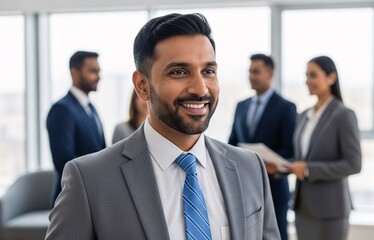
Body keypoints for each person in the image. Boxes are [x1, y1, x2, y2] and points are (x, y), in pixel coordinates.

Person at [45, 13, 280, 240]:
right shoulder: (89, 180)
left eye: (208, 71)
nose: (200, 89)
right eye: (179, 72)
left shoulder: (249, 167)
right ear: (142, 86)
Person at [286, 56, 362, 240]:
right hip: (303, 207)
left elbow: (353, 164)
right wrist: (282, 166)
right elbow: (301, 157)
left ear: (331, 78)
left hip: (331, 209)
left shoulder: (344, 115)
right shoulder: (304, 115)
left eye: (313, 75)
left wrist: (309, 169)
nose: (307, 81)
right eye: (306, 76)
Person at [228, 53, 297, 240]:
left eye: (256, 72)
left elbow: (290, 150)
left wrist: (267, 164)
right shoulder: (241, 106)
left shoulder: (286, 107)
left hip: (274, 188)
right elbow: (232, 143)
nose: (251, 76)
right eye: (250, 71)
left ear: (270, 73)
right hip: (245, 188)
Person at [46, 51, 106, 208]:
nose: (98, 76)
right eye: (93, 71)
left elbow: (100, 150)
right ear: (74, 73)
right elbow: (63, 160)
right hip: (71, 199)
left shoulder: (91, 108)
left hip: (93, 196)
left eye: (99, 71)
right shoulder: (61, 109)